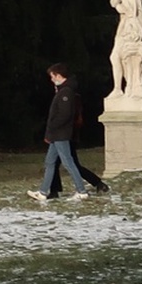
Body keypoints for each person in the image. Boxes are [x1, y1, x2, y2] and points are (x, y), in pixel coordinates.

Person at [31, 64, 102, 201]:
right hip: (57, 134)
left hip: (60, 134)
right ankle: (43, 192)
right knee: (50, 162)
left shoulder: (66, 92)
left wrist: (52, 128)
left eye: (52, 76)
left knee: (68, 162)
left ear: (58, 75)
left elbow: (64, 115)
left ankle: (81, 191)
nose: (51, 79)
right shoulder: (63, 91)